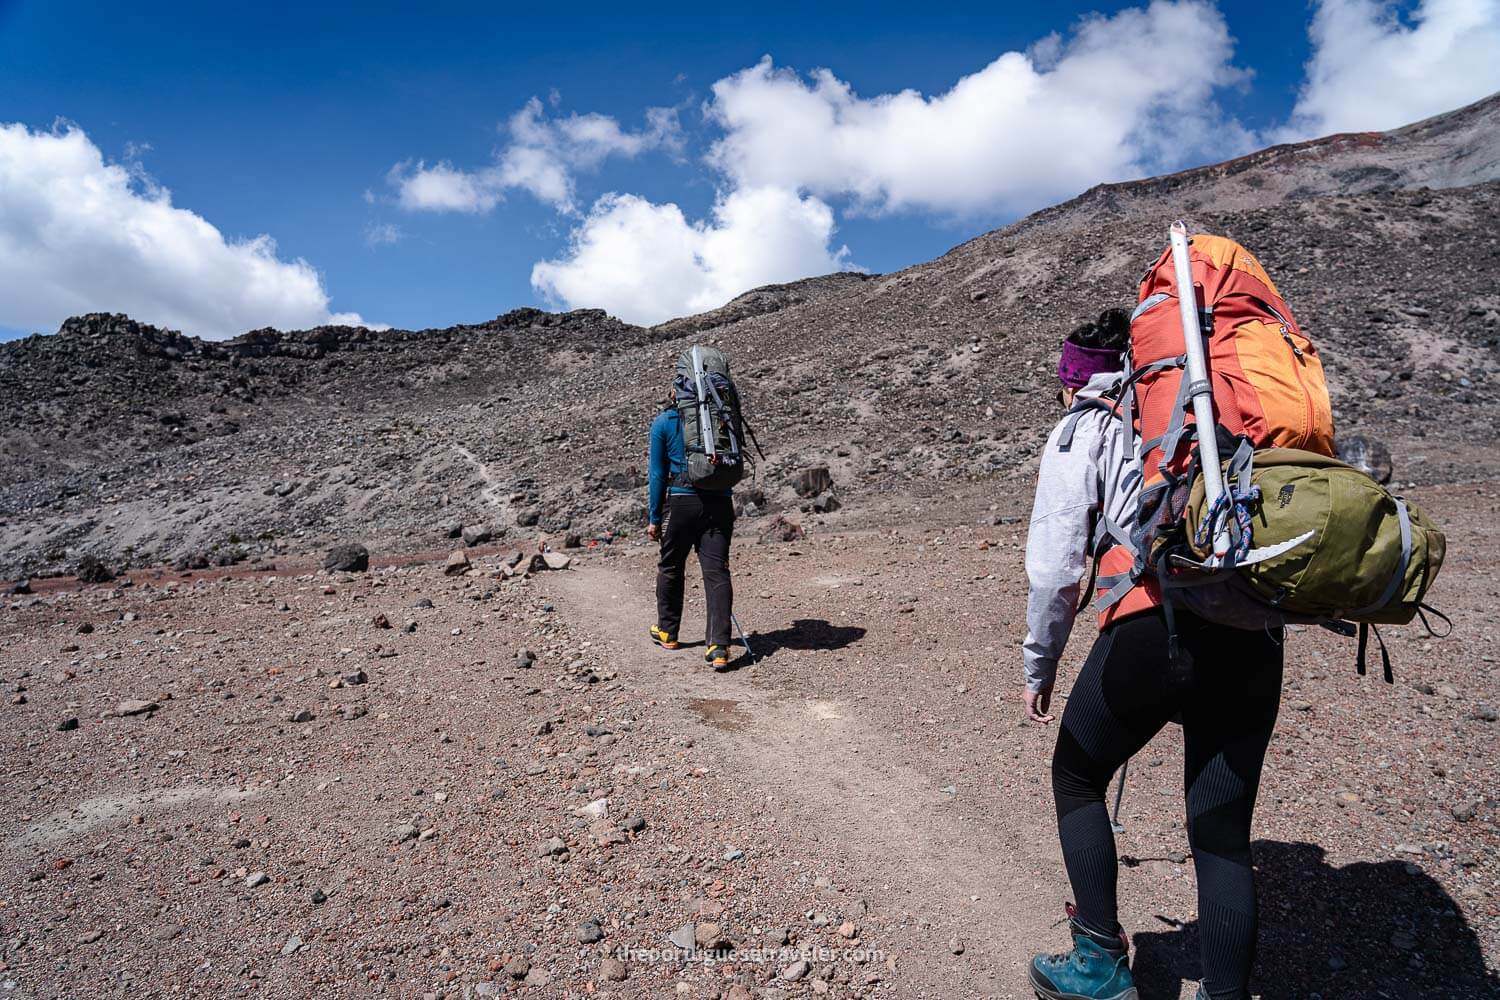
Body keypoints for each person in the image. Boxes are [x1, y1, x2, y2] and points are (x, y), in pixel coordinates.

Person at [1023, 310, 1284, 1000]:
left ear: (1071, 379)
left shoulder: (1087, 423)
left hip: (1152, 626)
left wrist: (1039, 664)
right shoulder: (1220, 402)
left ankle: (1100, 964)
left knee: (1077, 778)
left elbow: (1055, 572)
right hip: (1253, 631)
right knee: (1222, 832)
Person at [646, 388, 735, 669]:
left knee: (671, 564)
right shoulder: (721, 417)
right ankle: (718, 647)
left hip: (683, 501)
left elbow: (658, 474)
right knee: (716, 570)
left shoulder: (664, 422)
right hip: (720, 501)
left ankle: (668, 631)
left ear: (676, 393)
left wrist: (655, 517)